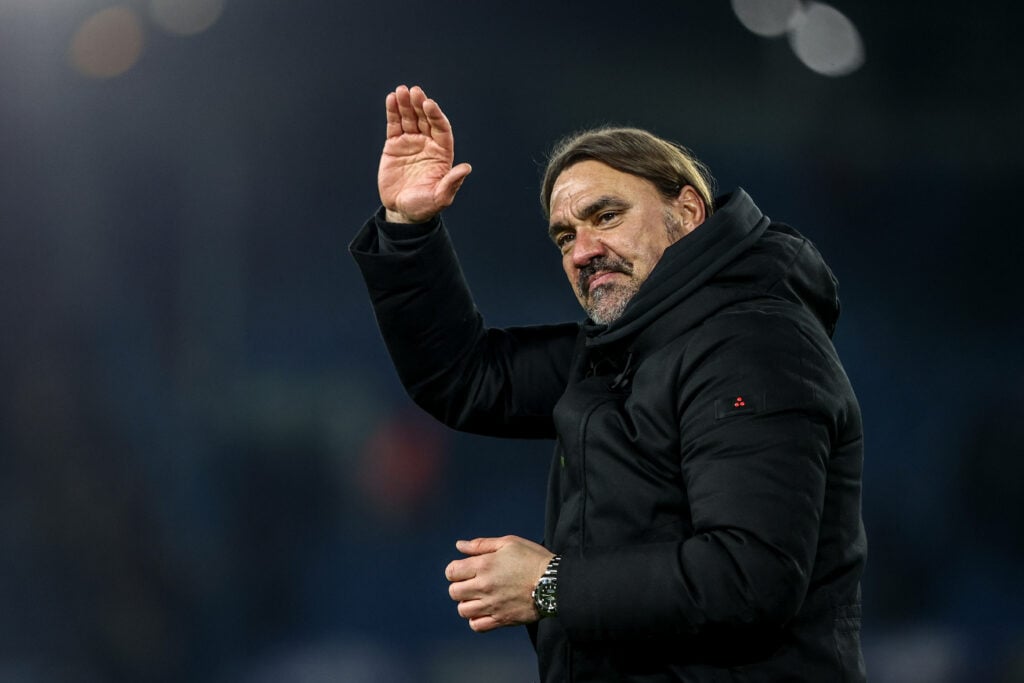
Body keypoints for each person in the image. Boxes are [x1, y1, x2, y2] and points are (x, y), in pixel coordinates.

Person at [350, 84, 866, 682]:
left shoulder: (752, 345)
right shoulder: (618, 355)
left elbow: (749, 578)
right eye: (565, 235)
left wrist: (549, 586)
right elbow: (466, 377)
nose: (583, 251)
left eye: (606, 216)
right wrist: (409, 225)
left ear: (689, 213)